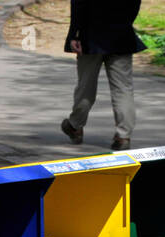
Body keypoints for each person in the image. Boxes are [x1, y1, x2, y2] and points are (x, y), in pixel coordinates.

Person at [61, 0, 145, 151]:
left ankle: (75, 125)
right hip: (121, 36)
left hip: (90, 36)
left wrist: (75, 34)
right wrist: (124, 23)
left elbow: (79, 4)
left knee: (86, 86)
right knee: (123, 89)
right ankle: (123, 136)